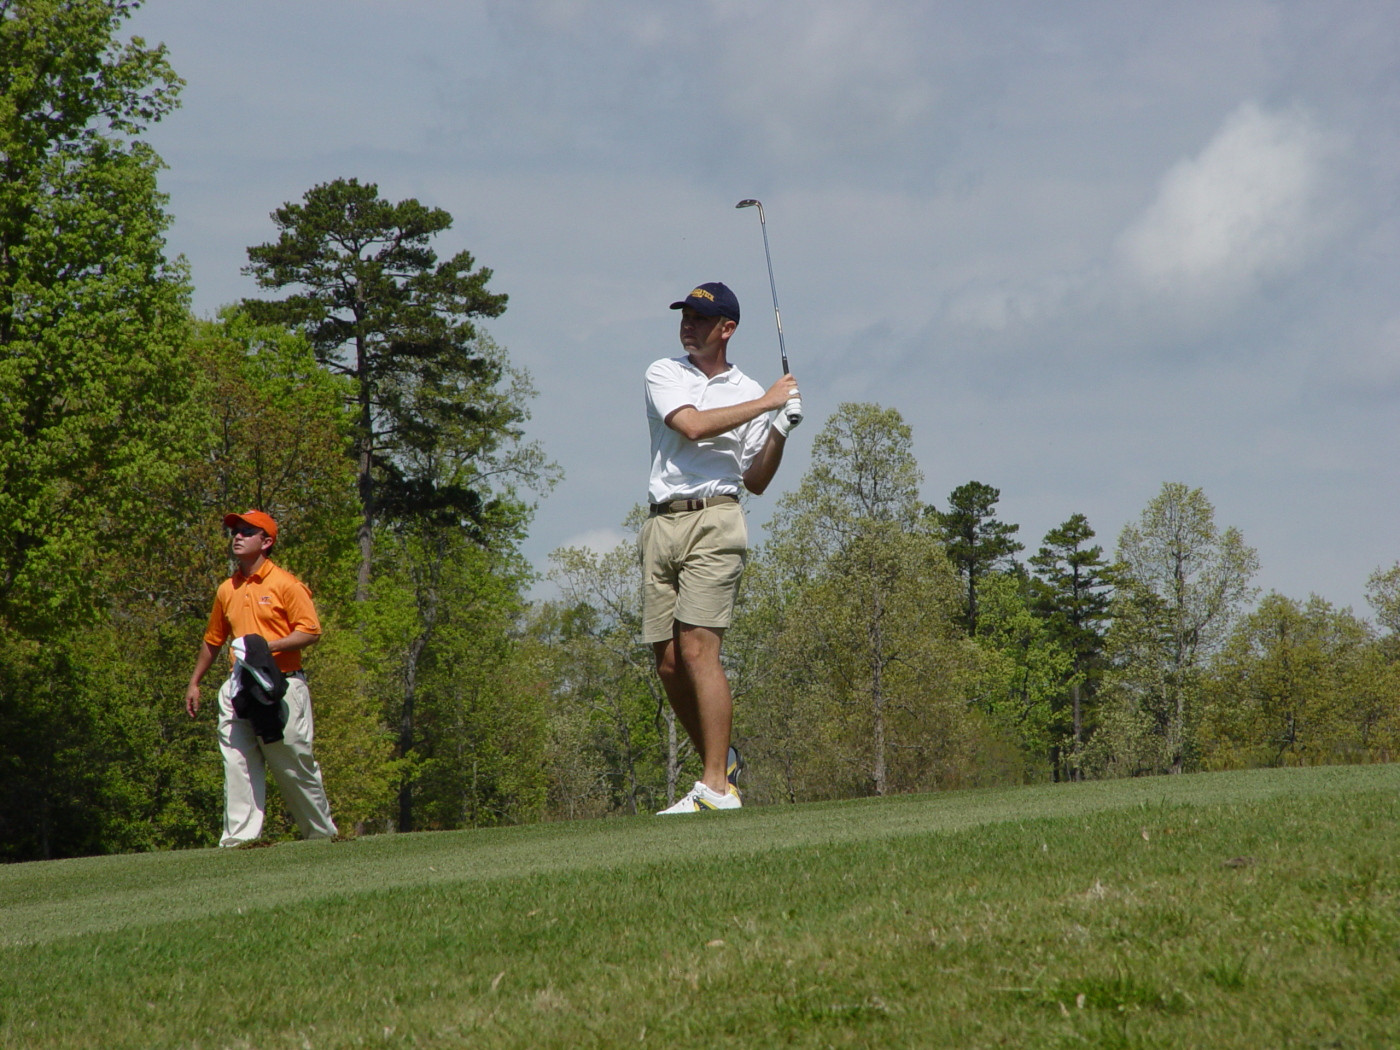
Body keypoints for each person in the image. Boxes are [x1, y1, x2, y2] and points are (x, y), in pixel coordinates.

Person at [644, 282, 802, 814]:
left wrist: (778, 427)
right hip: (661, 525)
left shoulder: (751, 388)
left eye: (699, 318)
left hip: (717, 520)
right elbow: (689, 426)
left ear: (726, 329)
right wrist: (767, 403)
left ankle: (716, 788)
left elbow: (756, 479)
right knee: (668, 663)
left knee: (697, 650)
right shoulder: (663, 372)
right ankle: (722, 761)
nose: (687, 324)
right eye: (684, 315)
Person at [184, 509, 338, 846]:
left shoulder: (285, 583)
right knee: (237, 762)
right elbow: (213, 640)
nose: (237, 536)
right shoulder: (227, 589)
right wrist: (195, 682)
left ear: (266, 541)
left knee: (293, 762)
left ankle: (321, 835)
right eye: (234, 531)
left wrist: (266, 647)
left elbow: (310, 631)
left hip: (281, 683)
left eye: (246, 531)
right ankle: (240, 840)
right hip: (238, 685)